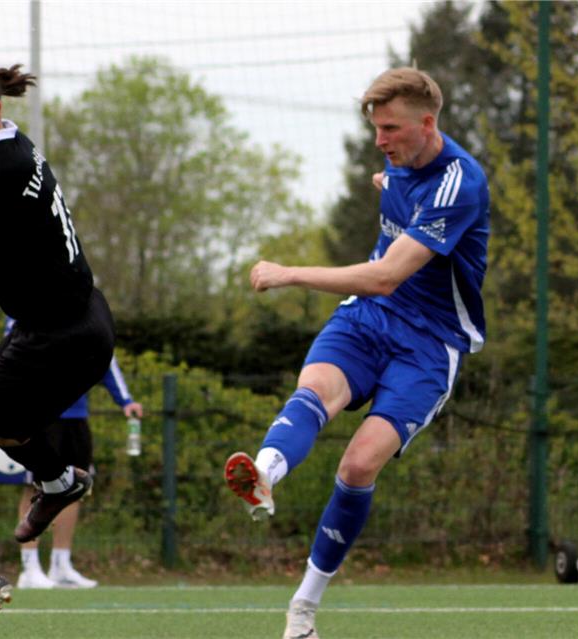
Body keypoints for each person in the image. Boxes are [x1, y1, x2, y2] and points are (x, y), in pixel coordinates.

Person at [223, 67, 489, 639]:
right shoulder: (399, 161)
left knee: (359, 464)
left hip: (429, 342)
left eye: (390, 128)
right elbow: (393, 184)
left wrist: (289, 272)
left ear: (427, 123)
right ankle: (265, 472)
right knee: (315, 391)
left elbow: (388, 276)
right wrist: (386, 179)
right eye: (375, 128)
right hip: (366, 321)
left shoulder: (460, 183)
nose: (380, 140)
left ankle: (303, 611)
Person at [0, 57, 115, 639]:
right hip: (80, 321)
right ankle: (60, 481)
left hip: (55, 335)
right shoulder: (16, 148)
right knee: (5, 428)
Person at [0, 318, 143, 589]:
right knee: (35, 485)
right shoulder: (26, 305)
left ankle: (61, 564)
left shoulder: (87, 310)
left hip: (76, 415)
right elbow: (15, 349)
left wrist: (125, 401)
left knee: (74, 487)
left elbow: (105, 357)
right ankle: (30, 567)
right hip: (41, 412)